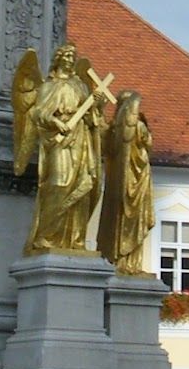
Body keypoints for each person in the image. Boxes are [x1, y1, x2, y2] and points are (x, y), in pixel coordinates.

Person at [22, 42, 106, 255]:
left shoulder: (80, 86)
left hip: (80, 138)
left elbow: (91, 117)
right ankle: (45, 236)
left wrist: (97, 104)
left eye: (73, 57)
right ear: (58, 59)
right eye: (67, 56)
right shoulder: (49, 86)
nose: (70, 60)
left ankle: (74, 240)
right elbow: (38, 113)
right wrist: (56, 122)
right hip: (58, 139)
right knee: (58, 183)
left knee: (83, 186)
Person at [96, 89, 155, 274]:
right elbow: (148, 144)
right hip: (134, 178)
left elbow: (103, 141)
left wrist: (100, 110)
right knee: (131, 219)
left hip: (130, 179)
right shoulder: (135, 127)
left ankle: (125, 261)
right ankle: (128, 263)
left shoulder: (117, 129)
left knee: (127, 218)